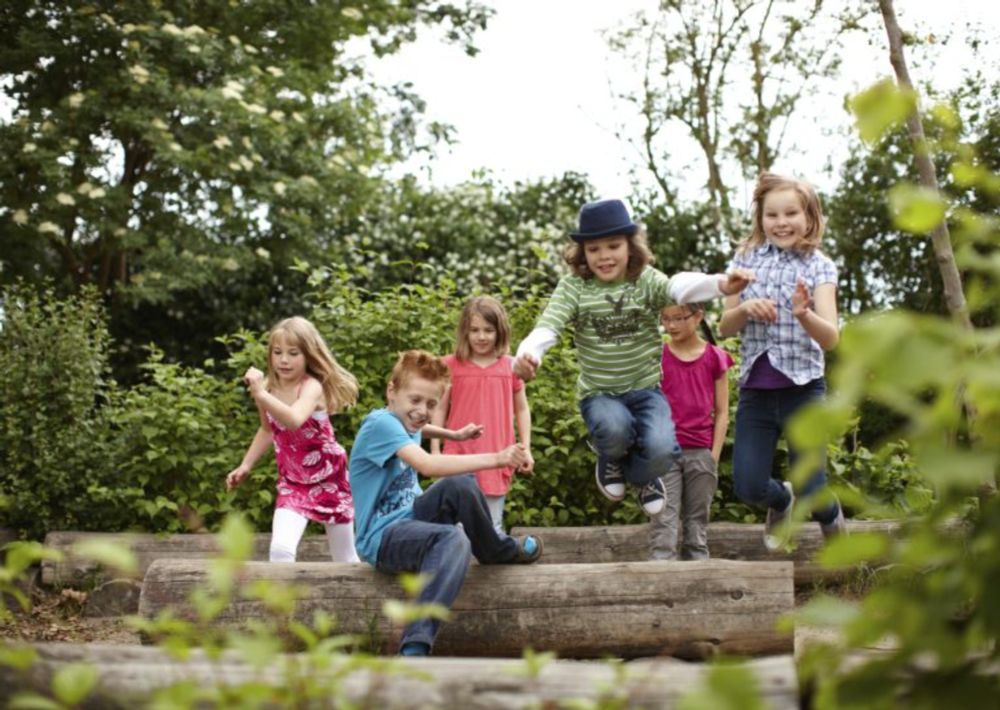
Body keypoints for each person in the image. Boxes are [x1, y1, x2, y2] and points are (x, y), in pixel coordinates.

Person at [513, 198, 752, 516]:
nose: (604, 256)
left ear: (630, 246)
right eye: (594, 249)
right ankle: (609, 456)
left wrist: (720, 284)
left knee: (662, 450)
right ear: (582, 252)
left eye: (613, 246)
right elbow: (549, 325)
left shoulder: (646, 280)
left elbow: (678, 288)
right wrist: (528, 355)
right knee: (614, 428)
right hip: (600, 393)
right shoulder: (575, 287)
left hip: (646, 391)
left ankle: (644, 478)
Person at [349, 349, 542, 657]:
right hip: (382, 537)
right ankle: (415, 643)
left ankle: (496, 550)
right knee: (453, 538)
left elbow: (420, 426)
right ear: (391, 391)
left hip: (412, 517)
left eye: (431, 404)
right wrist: (496, 458)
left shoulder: (404, 421)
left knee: (460, 486)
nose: (422, 410)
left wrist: (454, 433)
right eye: (415, 400)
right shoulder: (380, 426)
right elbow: (426, 465)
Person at [718, 172, 847, 551]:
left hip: (804, 391)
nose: (781, 222)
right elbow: (726, 327)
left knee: (812, 486)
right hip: (757, 392)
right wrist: (745, 309)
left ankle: (828, 513)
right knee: (747, 485)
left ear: (809, 216)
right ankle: (781, 501)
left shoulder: (820, 266)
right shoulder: (744, 260)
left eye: (791, 213)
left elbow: (831, 338)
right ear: (760, 218)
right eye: (772, 215)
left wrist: (804, 314)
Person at [226, 316, 360, 563]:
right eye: (278, 352)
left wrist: (259, 394)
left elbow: (294, 419)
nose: (284, 360)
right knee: (281, 550)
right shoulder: (268, 388)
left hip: (330, 476)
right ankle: (284, 603)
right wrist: (246, 465)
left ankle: (361, 600)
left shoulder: (312, 387)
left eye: (293, 353)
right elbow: (268, 429)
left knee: (344, 556)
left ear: (309, 355)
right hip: (293, 481)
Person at [430, 296, 533, 533]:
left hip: (498, 456)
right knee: (454, 526)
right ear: (465, 332)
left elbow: (522, 408)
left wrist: (525, 447)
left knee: (490, 526)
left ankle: (490, 567)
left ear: (500, 331)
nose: (481, 336)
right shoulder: (450, 366)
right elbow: (439, 409)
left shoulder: (511, 366)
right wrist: (435, 451)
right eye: (474, 330)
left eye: (488, 330)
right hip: (457, 456)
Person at [649, 303, 733, 560]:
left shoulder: (715, 358)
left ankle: (699, 585)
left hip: (701, 453)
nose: (671, 325)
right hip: (665, 453)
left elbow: (722, 412)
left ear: (698, 317)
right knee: (664, 522)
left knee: (697, 525)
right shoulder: (656, 356)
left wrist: (713, 456)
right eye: (665, 319)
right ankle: (660, 584)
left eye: (678, 318)